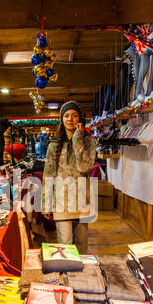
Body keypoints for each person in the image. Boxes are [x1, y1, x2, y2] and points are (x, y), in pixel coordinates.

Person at [42, 101, 96, 254]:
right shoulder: (54, 144)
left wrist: (78, 138)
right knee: (65, 244)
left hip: (82, 200)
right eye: (66, 115)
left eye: (74, 115)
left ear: (80, 119)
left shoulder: (89, 141)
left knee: (82, 243)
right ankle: (67, 276)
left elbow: (84, 167)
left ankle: (82, 276)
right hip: (61, 201)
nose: (70, 119)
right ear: (61, 119)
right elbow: (48, 174)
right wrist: (46, 204)